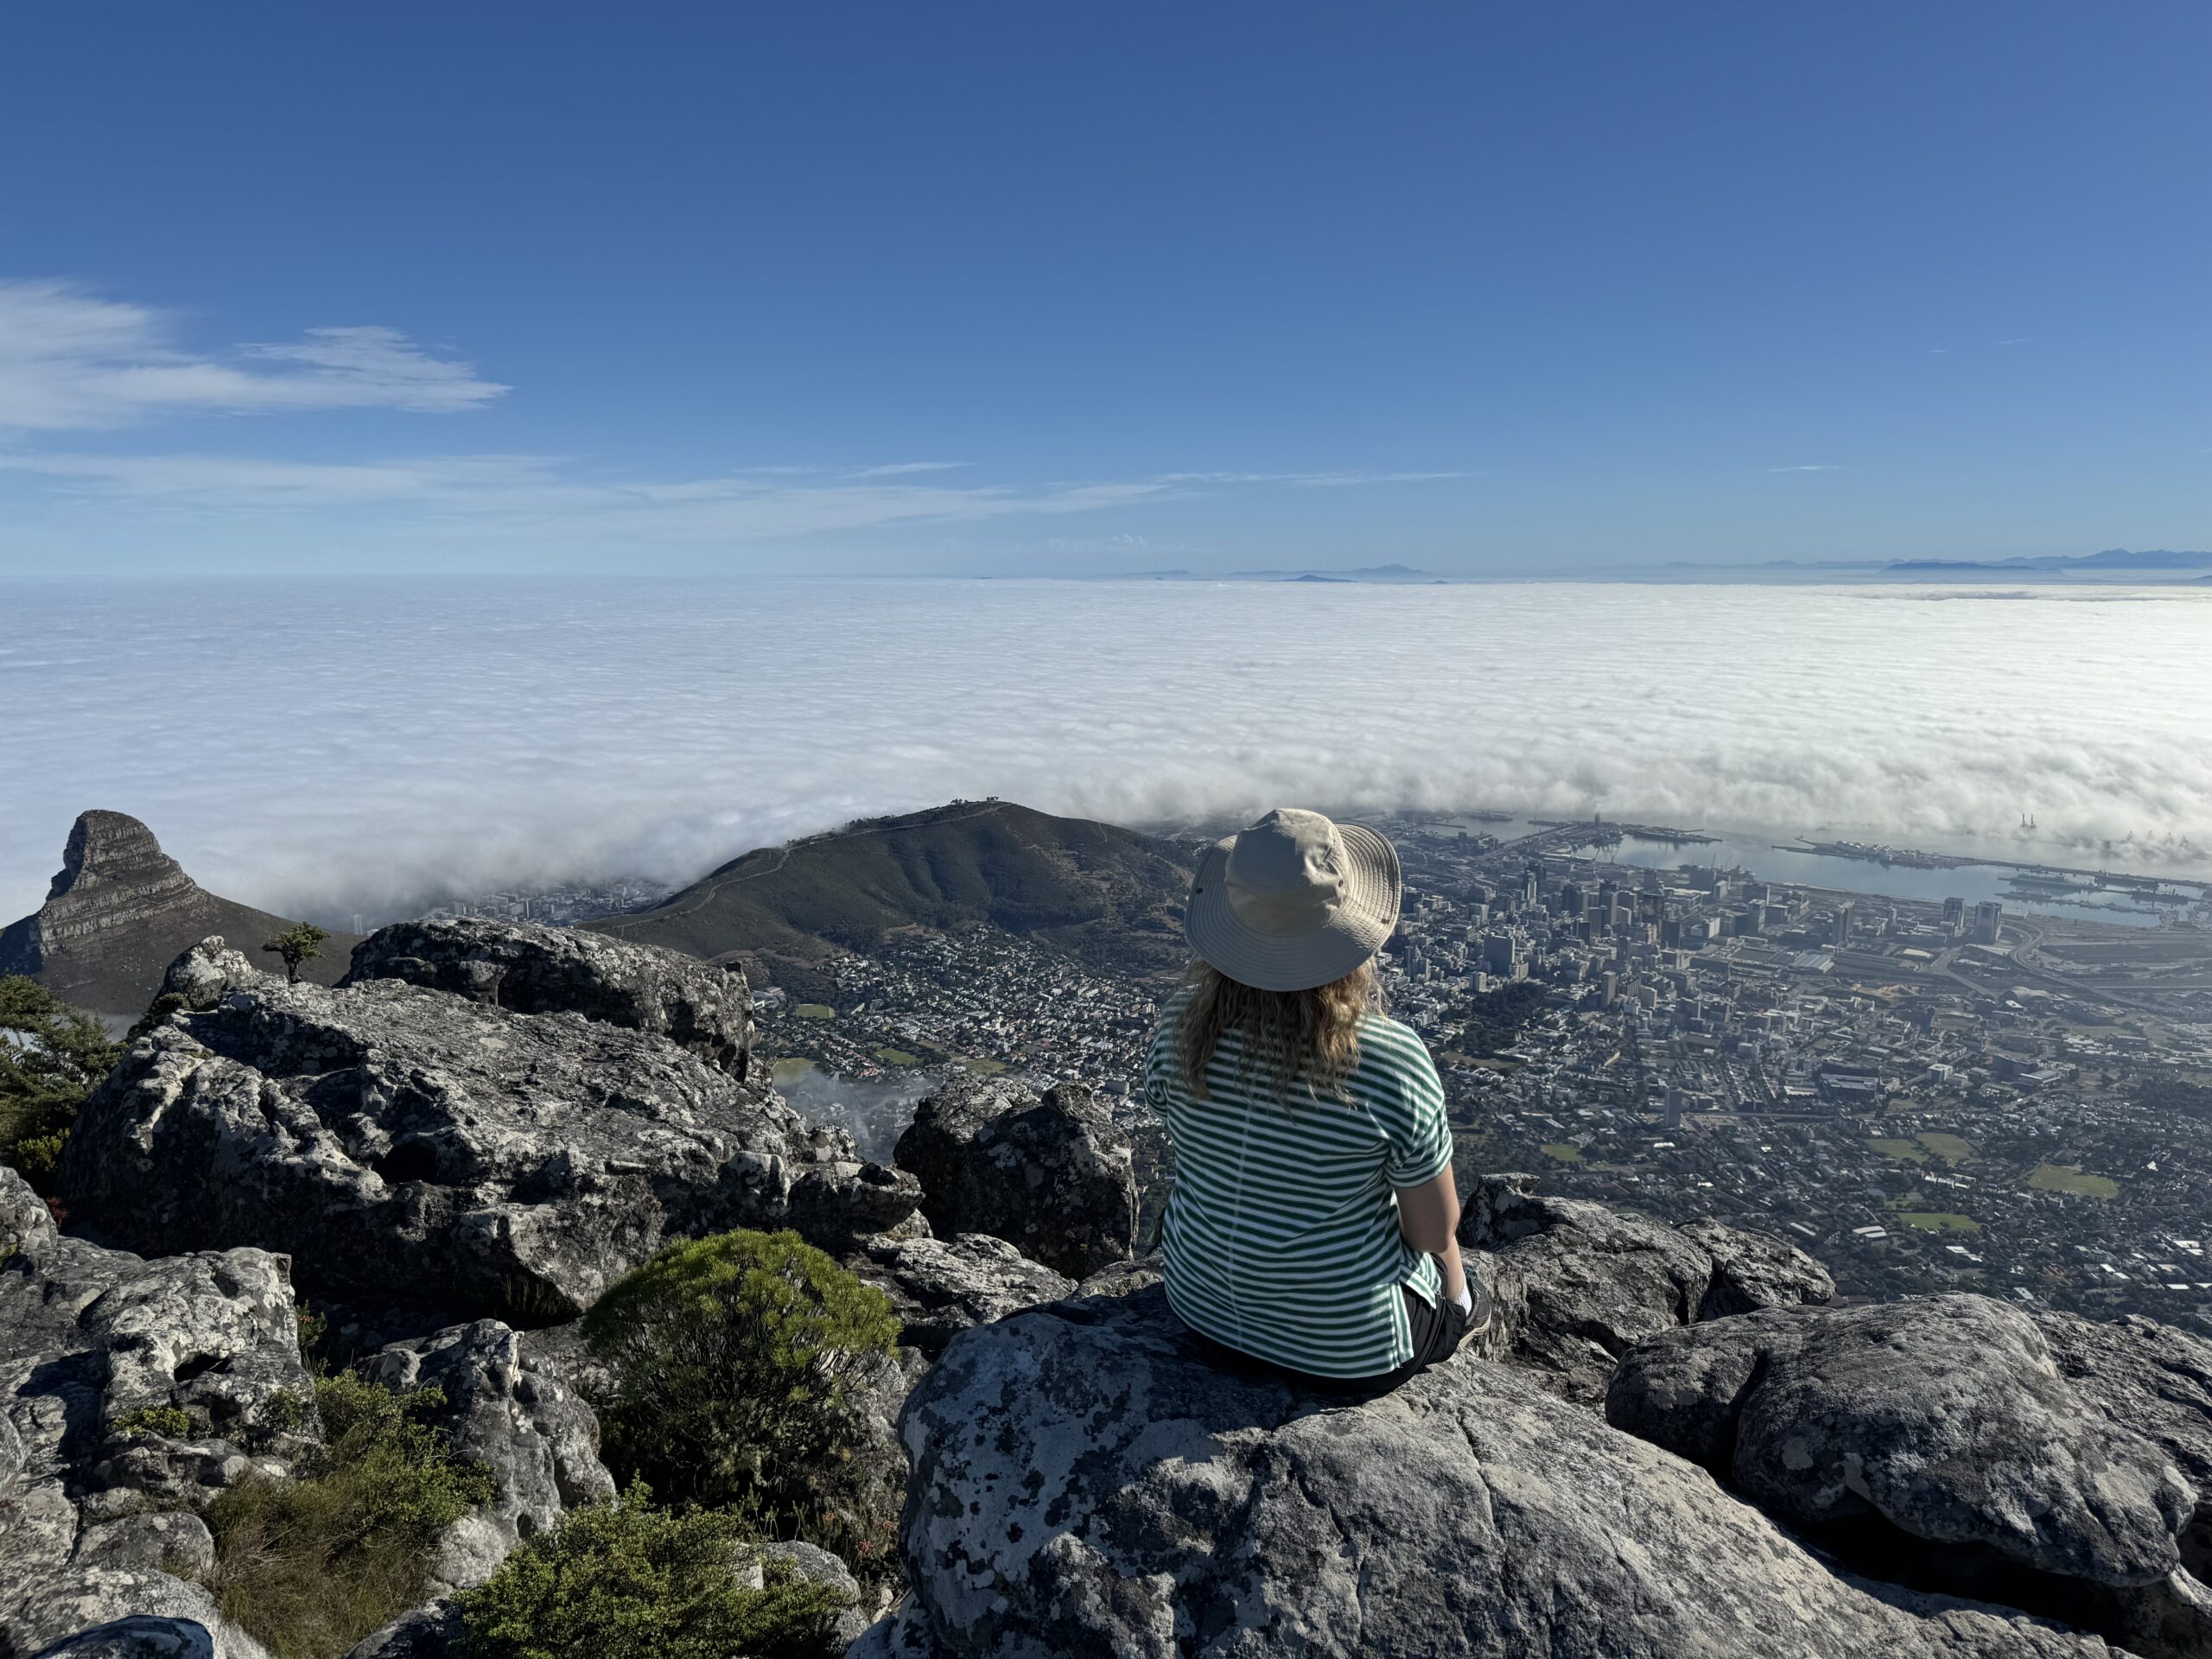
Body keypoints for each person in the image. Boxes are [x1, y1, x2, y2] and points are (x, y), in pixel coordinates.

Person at [1144, 806, 1491, 1394]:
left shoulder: (1182, 1025)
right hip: (1347, 1350)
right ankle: (1462, 1311)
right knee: (1451, 1255)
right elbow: (1431, 1234)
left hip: (1198, 1308)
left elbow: (1174, 1116)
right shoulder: (1387, 1057)